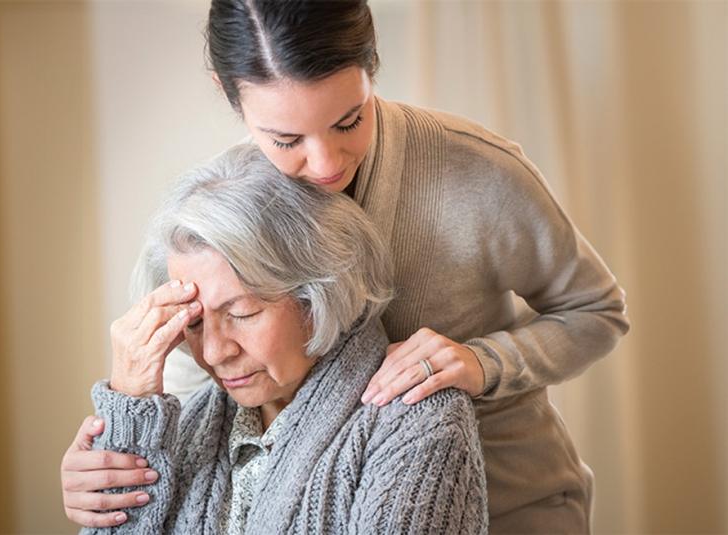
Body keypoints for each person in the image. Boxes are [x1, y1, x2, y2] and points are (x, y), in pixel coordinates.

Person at [61, 1, 630, 532]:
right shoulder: (209, 219)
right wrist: (110, 469)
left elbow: (596, 311)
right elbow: (196, 388)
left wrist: (482, 363)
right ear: (228, 94)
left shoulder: (479, 174)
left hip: (514, 503)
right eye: (285, 138)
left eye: (348, 120)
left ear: (369, 64)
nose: (325, 163)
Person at [77, 144, 487, 534]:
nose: (216, 353)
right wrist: (127, 424)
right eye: (194, 323)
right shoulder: (188, 428)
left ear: (317, 295)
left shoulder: (420, 422)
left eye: (241, 314)